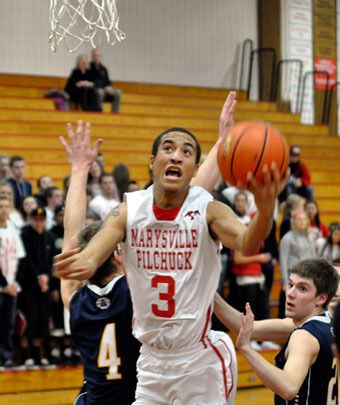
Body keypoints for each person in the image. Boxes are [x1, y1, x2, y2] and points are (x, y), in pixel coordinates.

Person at [55, 90, 289, 404]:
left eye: (186, 151)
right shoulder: (130, 217)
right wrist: (84, 260)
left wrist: (264, 206)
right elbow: (88, 250)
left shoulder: (205, 210)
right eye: (168, 148)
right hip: (152, 364)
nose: (176, 155)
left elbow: (246, 240)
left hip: (196, 361)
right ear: (152, 161)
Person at [58, 122, 141, 404]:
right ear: (118, 255)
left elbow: (71, 238)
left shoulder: (76, 301)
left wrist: (79, 170)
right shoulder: (137, 296)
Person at [235, 258, 338, 404]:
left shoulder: (304, 335)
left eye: (302, 288)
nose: (290, 293)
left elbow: (288, 388)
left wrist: (246, 349)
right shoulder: (330, 322)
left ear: (321, 298)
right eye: (290, 285)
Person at [17, 207, 56, 368]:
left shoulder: (49, 237)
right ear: (31, 219)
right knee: (30, 320)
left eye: (42, 219)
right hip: (27, 286)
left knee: (42, 320)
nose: (39, 222)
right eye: (36, 219)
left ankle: (38, 355)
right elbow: (26, 259)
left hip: (44, 286)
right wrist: (38, 277)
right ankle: (26, 356)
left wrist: (46, 277)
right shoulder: (24, 235)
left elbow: (52, 260)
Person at [0, 196, 25, 368]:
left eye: (6, 206)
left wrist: (14, 283)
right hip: (2, 286)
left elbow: (21, 258)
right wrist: (4, 285)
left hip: (11, 286)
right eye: (0, 206)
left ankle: (6, 356)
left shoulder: (13, 230)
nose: (3, 209)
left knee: (7, 324)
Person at [278, 209, 316, 317]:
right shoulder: (287, 238)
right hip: (293, 276)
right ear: (293, 221)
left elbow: (313, 257)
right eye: (299, 219)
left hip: (307, 275)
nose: (302, 222)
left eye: (304, 219)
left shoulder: (307, 237)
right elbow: (283, 261)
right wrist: (285, 284)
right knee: (287, 310)